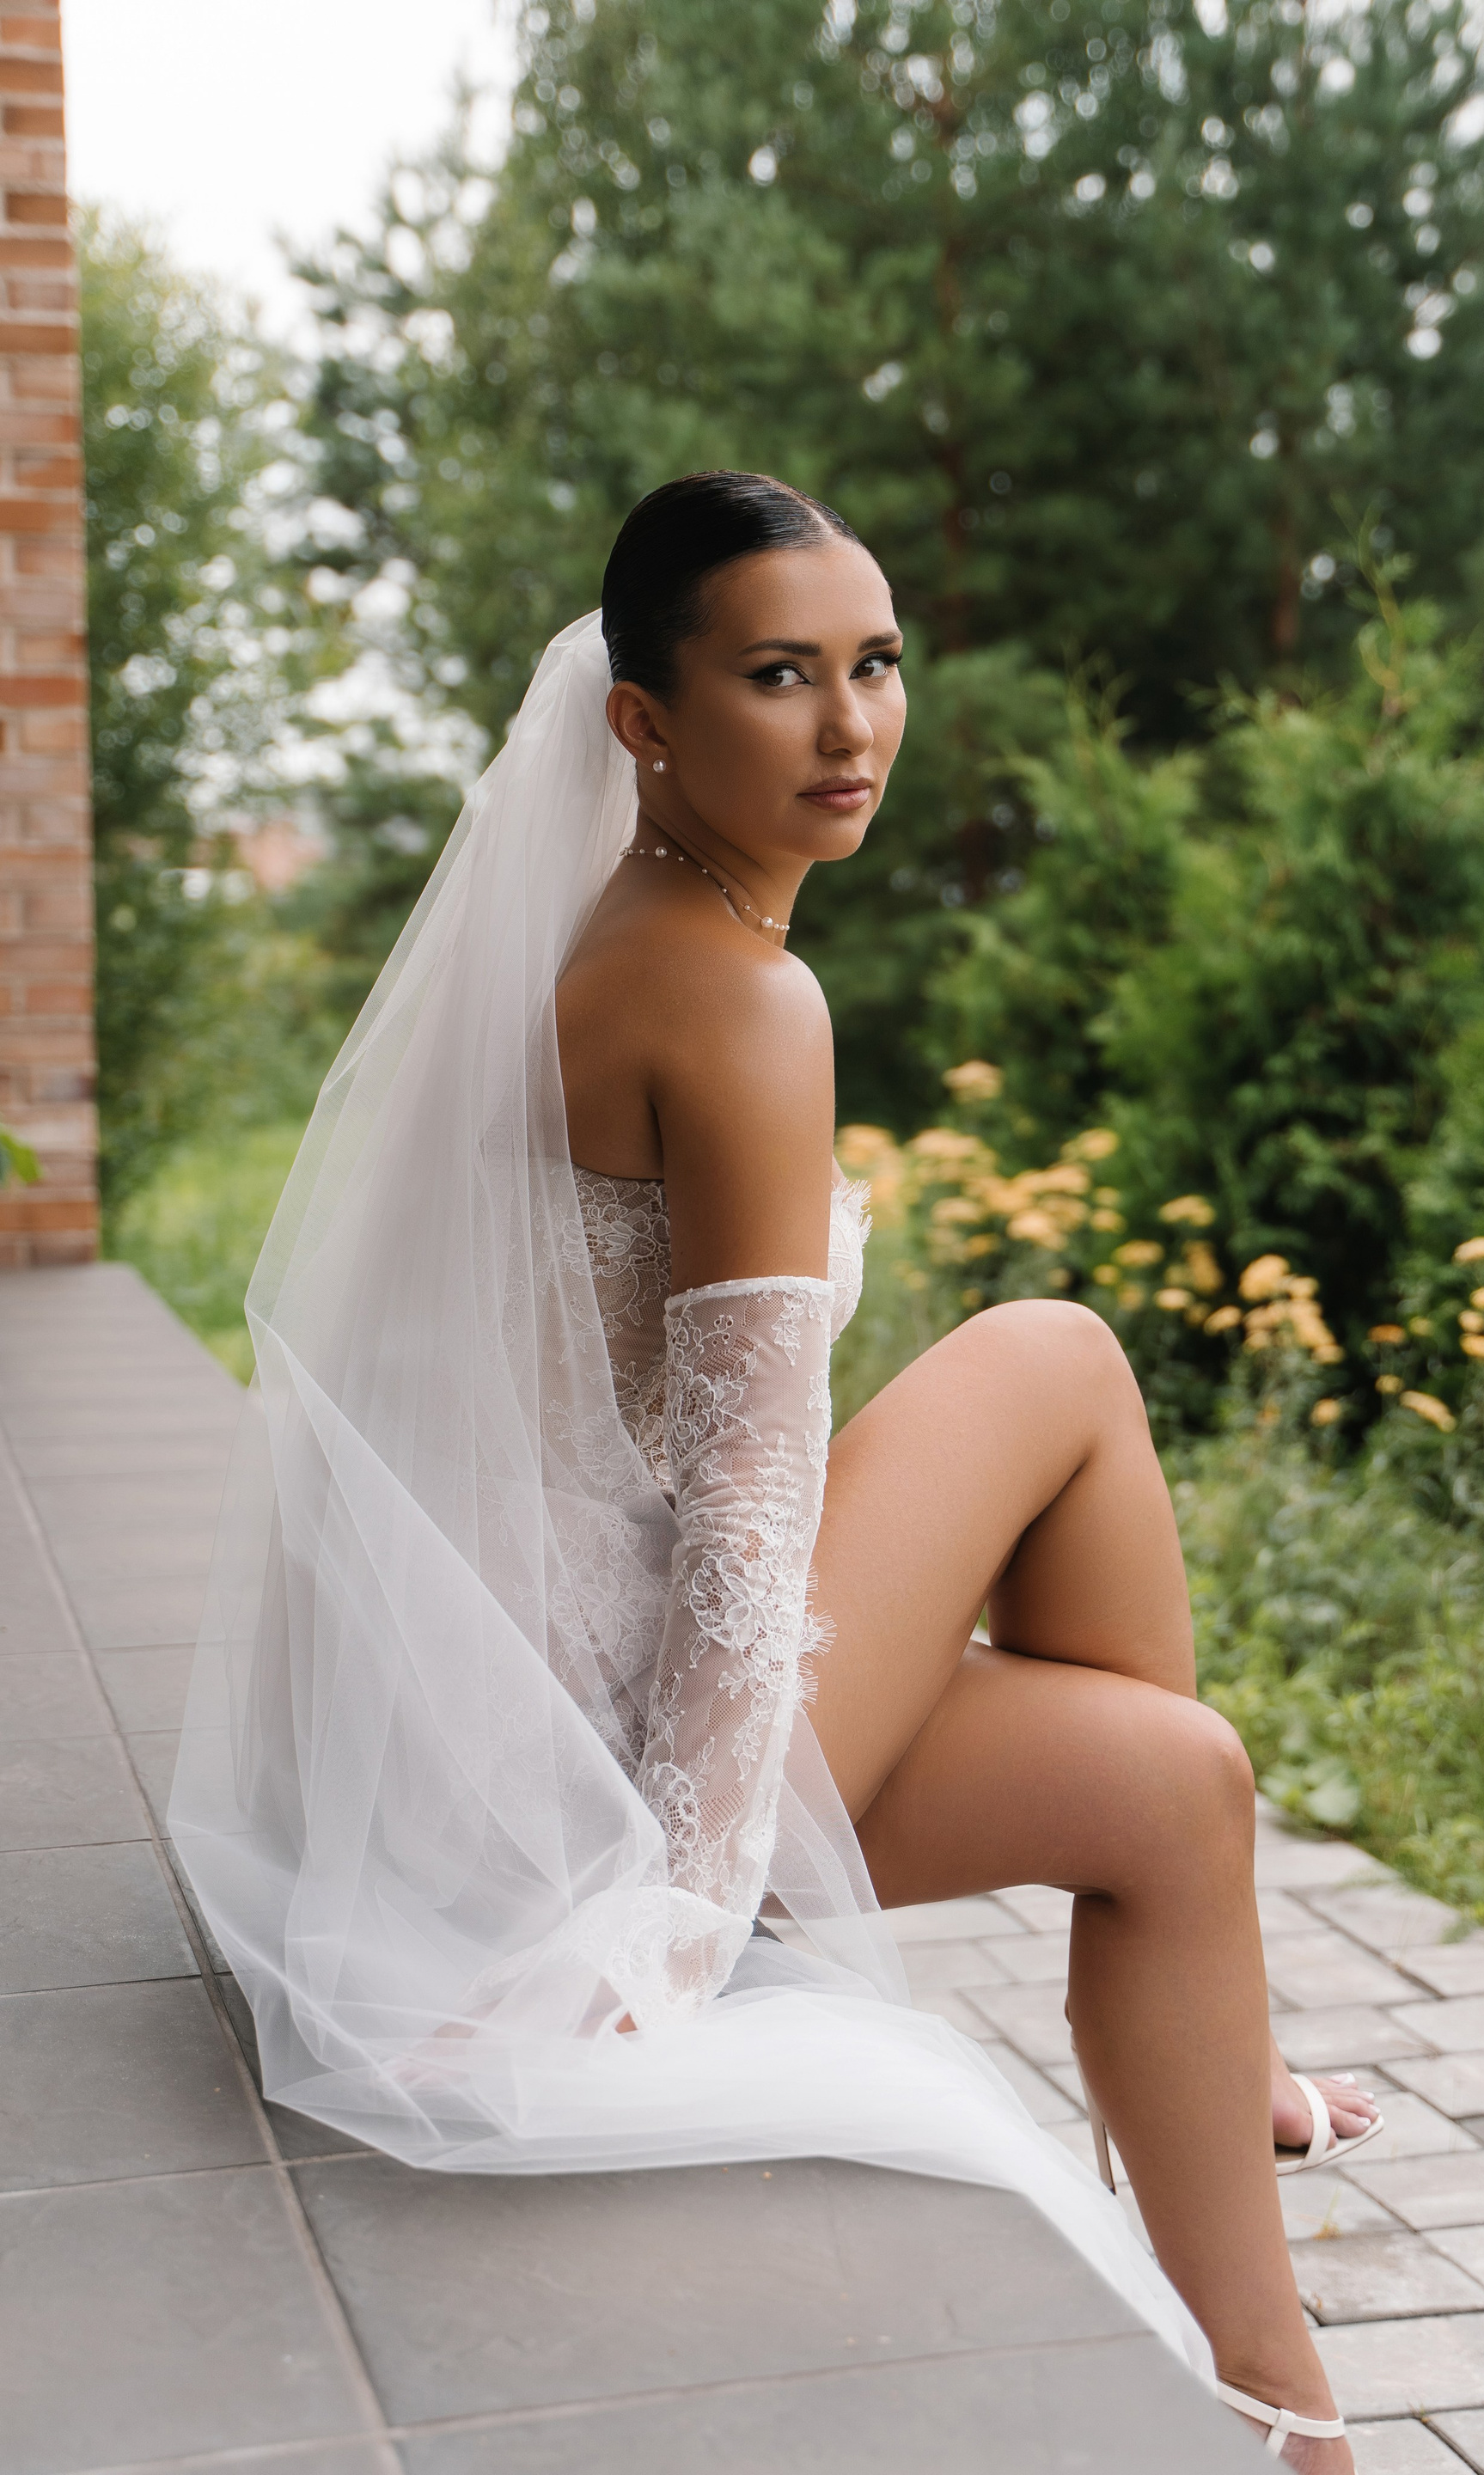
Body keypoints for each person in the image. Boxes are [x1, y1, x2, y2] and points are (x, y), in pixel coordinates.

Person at [173, 470, 1376, 2469]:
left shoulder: (621, 932)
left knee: (1172, 1755)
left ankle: (1213, 2094)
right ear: (645, 718)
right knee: (1096, 1490)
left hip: (500, 1693)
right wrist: (666, 1929)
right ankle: (1283, 2381)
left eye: (876, 664)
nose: (850, 726)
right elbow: (744, 1518)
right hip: (592, 1752)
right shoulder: (737, 997)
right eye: (778, 676)